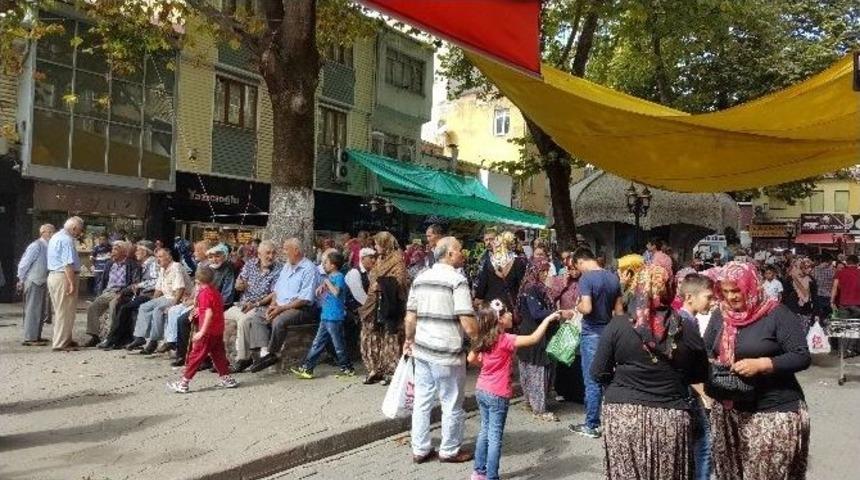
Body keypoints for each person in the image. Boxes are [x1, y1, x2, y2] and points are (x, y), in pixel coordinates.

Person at [593, 264, 708, 480]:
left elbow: (598, 372)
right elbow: (700, 374)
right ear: (670, 287)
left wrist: (621, 387)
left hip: (623, 416)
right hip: (670, 416)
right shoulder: (686, 327)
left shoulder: (617, 325)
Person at [704, 262, 811, 480]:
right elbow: (706, 349)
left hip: (772, 412)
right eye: (725, 291)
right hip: (729, 412)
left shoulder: (776, 314)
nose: (731, 297)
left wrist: (763, 364)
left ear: (751, 287)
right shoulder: (720, 315)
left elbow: (801, 355)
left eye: (737, 291)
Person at [405, 236, 477, 464]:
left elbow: (410, 317)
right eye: (459, 250)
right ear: (448, 254)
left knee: (422, 401)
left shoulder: (421, 278)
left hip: (423, 350)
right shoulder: (457, 280)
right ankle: (449, 450)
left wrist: (409, 340)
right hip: (447, 352)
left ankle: (420, 448)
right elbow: (466, 320)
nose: (462, 253)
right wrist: (480, 341)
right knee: (452, 403)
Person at [468, 303, 561, 480]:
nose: (511, 314)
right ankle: (492, 476)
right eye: (507, 313)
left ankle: (478, 472)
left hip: (481, 389)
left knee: (484, 431)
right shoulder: (506, 340)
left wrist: (486, 366)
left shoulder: (484, 338)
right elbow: (534, 338)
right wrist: (548, 319)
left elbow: (471, 358)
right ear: (500, 320)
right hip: (498, 393)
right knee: (495, 436)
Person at [568, 247, 622, 439]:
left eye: (577, 266)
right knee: (608, 378)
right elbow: (619, 311)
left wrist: (577, 306)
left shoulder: (586, 279)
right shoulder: (613, 277)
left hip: (591, 333)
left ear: (581, 261)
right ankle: (612, 421)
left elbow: (587, 307)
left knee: (592, 380)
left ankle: (592, 424)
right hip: (609, 333)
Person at [247, 238, 318, 373]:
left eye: (286, 249)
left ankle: (273, 352)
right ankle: (264, 354)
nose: (283, 252)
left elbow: (304, 299)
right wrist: (273, 306)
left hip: (301, 308)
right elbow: (277, 290)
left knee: (279, 320)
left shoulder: (309, 269)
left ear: (296, 251)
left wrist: (280, 309)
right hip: (282, 305)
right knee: (258, 316)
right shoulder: (287, 266)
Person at [167, 266, 239, 393]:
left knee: (196, 356)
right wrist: (198, 312)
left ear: (197, 281)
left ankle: (184, 382)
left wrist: (201, 332)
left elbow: (209, 313)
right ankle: (226, 378)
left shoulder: (204, 294)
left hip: (208, 332)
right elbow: (211, 310)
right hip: (217, 330)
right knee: (218, 355)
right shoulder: (215, 292)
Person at [515, 257, 568, 422]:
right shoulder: (533, 288)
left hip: (528, 333)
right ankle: (539, 409)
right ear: (534, 271)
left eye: (547, 270)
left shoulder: (528, 286)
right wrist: (559, 314)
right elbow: (537, 312)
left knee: (527, 369)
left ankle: (530, 402)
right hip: (536, 334)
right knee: (537, 372)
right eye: (542, 271)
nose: (545, 274)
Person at [291, 251, 355, 379]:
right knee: (317, 343)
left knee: (338, 344)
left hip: (334, 317)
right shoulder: (330, 278)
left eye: (326, 262)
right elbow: (327, 290)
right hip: (326, 316)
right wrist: (321, 287)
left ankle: (347, 368)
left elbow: (336, 292)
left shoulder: (339, 277)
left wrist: (327, 283)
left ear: (333, 265)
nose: (323, 265)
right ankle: (307, 368)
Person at [677, 273, 717, 480]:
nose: (711, 302)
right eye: (708, 297)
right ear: (690, 297)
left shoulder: (683, 320)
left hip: (685, 390)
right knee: (703, 444)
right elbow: (692, 366)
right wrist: (705, 395)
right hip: (689, 392)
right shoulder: (687, 323)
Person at [358, 231, 410, 385]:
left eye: (377, 244)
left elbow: (400, 282)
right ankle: (375, 368)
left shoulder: (397, 260)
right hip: (373, 304)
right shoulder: (380, 260)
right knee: (370, 335)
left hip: (388, 305)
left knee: (389, 337)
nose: (375, 247)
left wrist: (381, 284)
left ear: (385, 244)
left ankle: (391, 371)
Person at [226, 240, 282, 373]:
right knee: (215, 317)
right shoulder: (250, 264)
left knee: (244, 320)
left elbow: (275, 293)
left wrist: (256, 303)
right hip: (242, 303)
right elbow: (239, 284)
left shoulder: (279, 269)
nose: (271, 256)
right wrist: (239, 285)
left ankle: (243, 358)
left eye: (273, 253)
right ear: (259, 254)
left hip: (260, 306)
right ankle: (212, 357)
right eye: (268, 253)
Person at [131, 248, 191, 354]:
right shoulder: (163, 268)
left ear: (169, 257)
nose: (157, 260)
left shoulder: (176, 267)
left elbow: (180, 288)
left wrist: (173, 304)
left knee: (158, 310)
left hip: (177, 297)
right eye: (157, 257)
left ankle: (154, 341)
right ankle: (140, 337)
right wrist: (153, 301)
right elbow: (158, 289)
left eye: (160, 257)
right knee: (145, 307)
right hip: (166, 296)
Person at [161, 240, 210, 361]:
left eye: (198, 250)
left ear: (206, 251)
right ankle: (172, 342)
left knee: (182, 317)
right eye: (195, 250)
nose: (194, 253)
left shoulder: (209, 267)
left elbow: (206, 289)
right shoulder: (200, 265)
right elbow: (196, 286)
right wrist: (191, 296)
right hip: (195, 299)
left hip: (203, 303)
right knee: (173, 310)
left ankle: (182, 352)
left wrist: (194, 301)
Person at [87, 241, 139, 348]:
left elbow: (135, 283)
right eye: (112, 250)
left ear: (124, 252)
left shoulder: (132, 265)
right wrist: (100, 293)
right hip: (108, 292)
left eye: (116, 250)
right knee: (93, 307)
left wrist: (123, 292)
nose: (112, 252)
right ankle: (94, 336)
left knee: (113, 306)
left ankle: (109, 338)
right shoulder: (110, 264)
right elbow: (103, 280)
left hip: (121, 293)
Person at [548, 252, 584, 402]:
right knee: (565, 356)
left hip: (581, 324)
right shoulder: (562, 280)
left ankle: (578, 393)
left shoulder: (586, 280)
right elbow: (551, 297)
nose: (573, 272)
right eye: (570, 268)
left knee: (578, 358)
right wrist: (563, 283)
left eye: (575, 268)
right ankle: (562, 390)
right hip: (565, 324)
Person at [46, 216, 84, 351]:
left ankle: (65, 338)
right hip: (63, 276)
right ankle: (61, 343)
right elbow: (67, 263)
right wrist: (72, 282)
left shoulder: (56, 237)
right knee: (65, 311)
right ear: (74, 228)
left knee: (61, 310)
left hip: (54, 275)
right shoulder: (67, 240)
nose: (80, 233)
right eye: (79, 230)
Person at [17, 223, 55, 346]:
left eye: (52, 232)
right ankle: (30, 338)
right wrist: (21, 279)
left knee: (39, 310)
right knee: (33, 310)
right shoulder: (36, 246)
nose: (51, 234)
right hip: (34, 280)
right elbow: (24, 263)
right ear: (43, 232)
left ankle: (36, 336)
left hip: (42, 281)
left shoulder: (47, 246)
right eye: (49, 232)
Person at [118, 241, 159, 349]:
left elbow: (156, 281)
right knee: (122, 304)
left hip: (150, 295)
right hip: (143, 294)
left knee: (125, 308)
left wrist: (139, 285)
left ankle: (123, 339)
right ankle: (126, 338)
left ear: (145, 252)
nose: (135, 252)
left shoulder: (153, 263)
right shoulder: (144, 264)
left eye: (138, 250)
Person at [474, 231, 526, 313]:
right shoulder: (518, 262)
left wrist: (478, 299)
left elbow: (482, 285)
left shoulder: (488, 262)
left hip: (492, 305)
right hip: (511, 304)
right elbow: (522, 286)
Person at [344, 247, 377, 355]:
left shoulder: (370, 272)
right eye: (371, 257)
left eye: (374, 257)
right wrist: (372, 307)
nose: (373, 260)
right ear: (362, 259)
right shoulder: (355, 272)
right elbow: (359, 296)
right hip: (352, 309)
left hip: (364, 307)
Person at [811, 254, 835, 321]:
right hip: (829, 294)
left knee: (819, 314)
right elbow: (834, 281)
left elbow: (813, 278)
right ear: (829, 260)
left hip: (819, 294)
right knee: (829, 314)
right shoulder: (832, 269)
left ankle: (819, 326)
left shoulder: (815, 269)